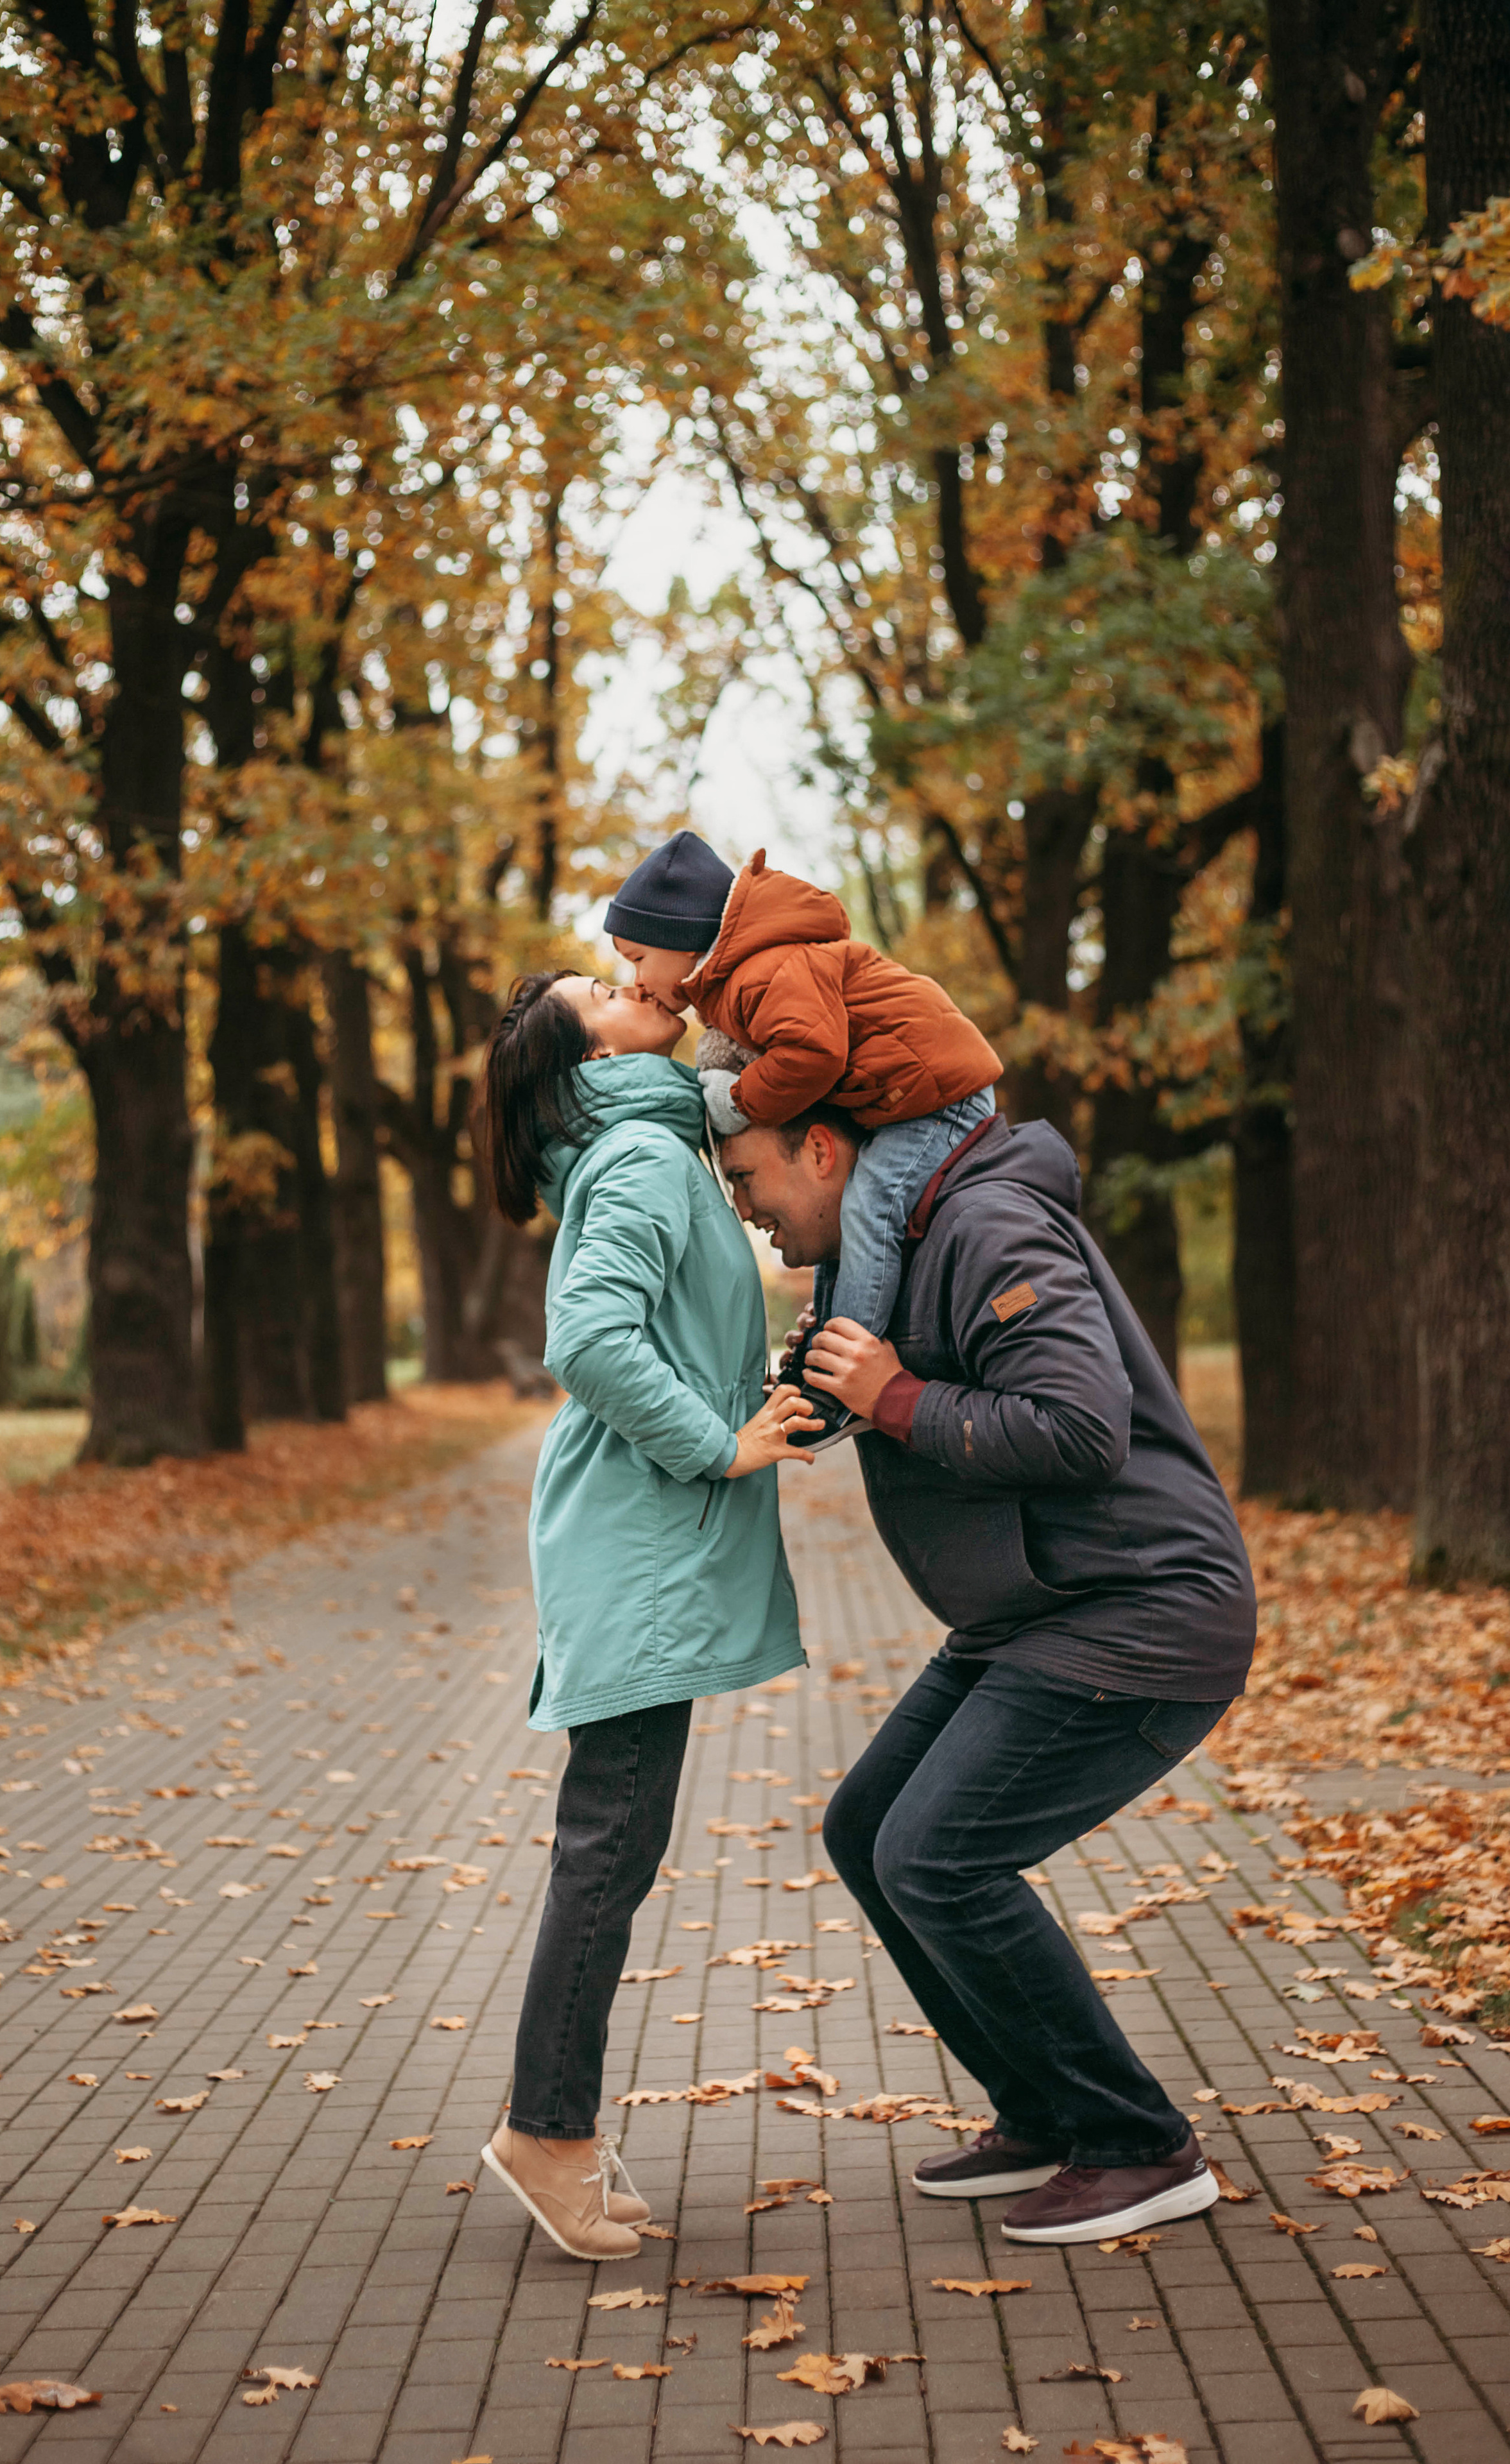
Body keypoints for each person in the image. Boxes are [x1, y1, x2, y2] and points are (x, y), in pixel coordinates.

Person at [715, 1096, 1257, 2246]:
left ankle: (1137, 2142)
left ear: (821, 1151)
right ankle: (1048, 2110)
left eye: (749, 1178)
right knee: (869, 1830)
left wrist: (894, 1398)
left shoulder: (985, 1224)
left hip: (1141, 1606)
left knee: (939, 1856)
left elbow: (1079, 1429)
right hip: (1038, 1608)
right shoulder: (880, 1257)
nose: (746, 1208)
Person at [473, 970, 819, 2264]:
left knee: (613, 1845)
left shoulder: (649, 1141)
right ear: (583, 1058)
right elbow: (591, 1340)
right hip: (633, 1537)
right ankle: (543, 2136)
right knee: (606, 1847)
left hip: (633, 1537)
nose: (635, 986)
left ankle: (553, 2126)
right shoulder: (632, 1154)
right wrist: (717, 1448)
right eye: (605, 993)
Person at [604, 832, 1003, 1444]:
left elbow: (814, 1052)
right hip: (903, 1096)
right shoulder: (743, 981)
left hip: (937, 1097)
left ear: (681, 940)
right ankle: (822, 1354)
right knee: (845, 1222)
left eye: (636, 958)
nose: (634, 978)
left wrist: (737, 1101)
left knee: (870, 1206)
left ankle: (844, 1383)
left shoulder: (765, 970)